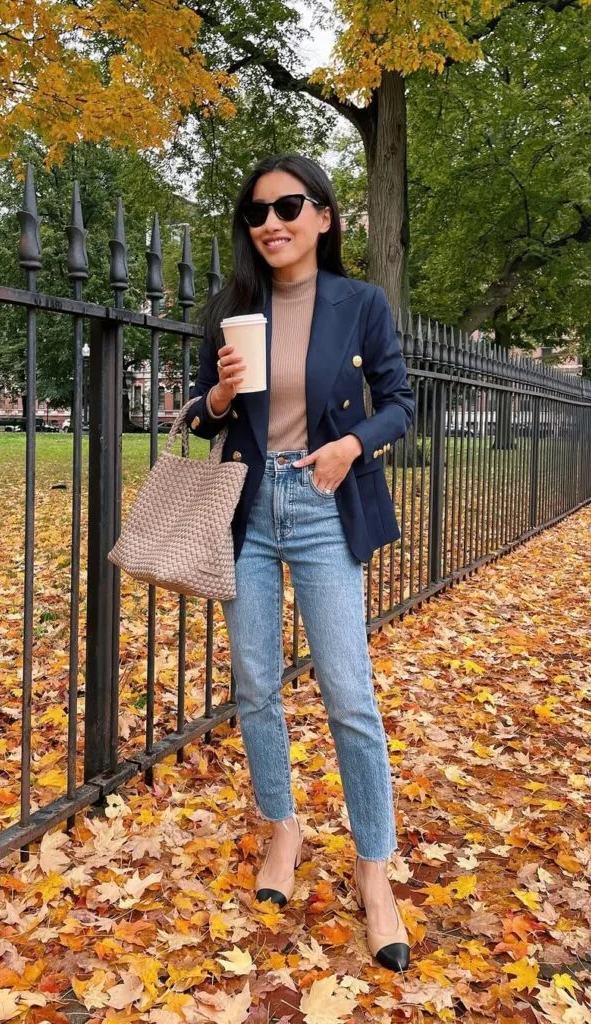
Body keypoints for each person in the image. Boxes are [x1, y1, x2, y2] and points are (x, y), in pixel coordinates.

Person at [184, 153, 415, 972]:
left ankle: (373, 870)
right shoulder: (232, 308)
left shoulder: (360, 304)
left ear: (323, 216)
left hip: (322, 504)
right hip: (247, 509)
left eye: (289, 206)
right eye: (256, 213)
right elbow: (196, 414)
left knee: (348, 694)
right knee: (254, 685)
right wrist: (215, 397)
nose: (271, 223)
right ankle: (282, 830)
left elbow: (400, 404)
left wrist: (350, 445)